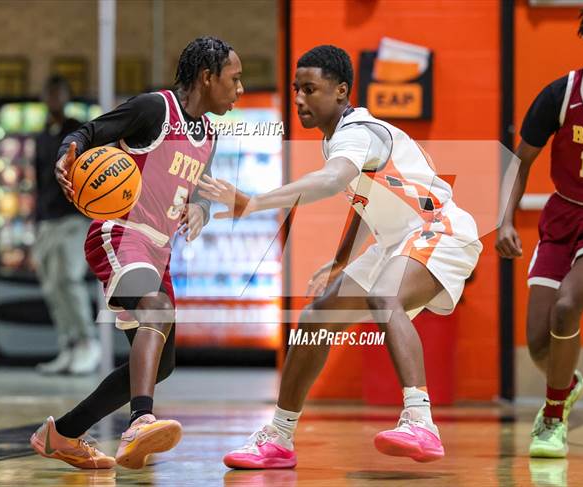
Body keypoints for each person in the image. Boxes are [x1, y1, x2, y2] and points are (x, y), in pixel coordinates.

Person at [198, 45, 482, 469]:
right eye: (296, 89)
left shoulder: (357, 133)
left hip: (439, 229)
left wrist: (255, 202)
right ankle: (279, 437)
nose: (299, 99)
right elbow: (364, 201)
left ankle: (420, 421)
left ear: (341, 90)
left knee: (386, 297)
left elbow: (333, 181)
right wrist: (341, 260)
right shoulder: (337, 139)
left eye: (310, 89)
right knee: (315, 320)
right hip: (397, 241)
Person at [30, 36, 244, 469]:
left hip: (159, 251)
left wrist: (200, 210)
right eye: (234, 79)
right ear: (208, 77)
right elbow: (88, 132)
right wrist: (67, 154)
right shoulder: (154, 109)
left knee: (161, 365)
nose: (239, 89)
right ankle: (140, 422)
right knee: (157, 310)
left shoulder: (209, 135)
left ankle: (62, 435)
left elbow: (202, 189)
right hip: (120, 233)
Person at [495, 1, 583, 458]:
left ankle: (552, 419)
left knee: (567, 306)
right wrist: (504, 219)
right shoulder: (562, 92)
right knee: (539, 342)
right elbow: (520, 161)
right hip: (563, 215)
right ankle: (567, 384)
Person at [32, 75, 100, 375]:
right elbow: (38, 182)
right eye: (50, 93)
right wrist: (35, 222)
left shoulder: (78, 132)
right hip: (47, 222)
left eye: (59, 93)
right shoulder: (42, 135)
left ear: (67, 97)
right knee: (51, 286)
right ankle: (69, 345)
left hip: (74, 219)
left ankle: (88, 342)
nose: (54, 99)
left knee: (69, 279)